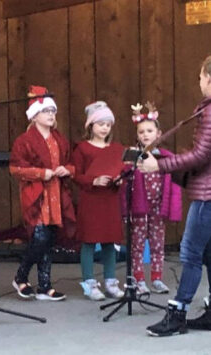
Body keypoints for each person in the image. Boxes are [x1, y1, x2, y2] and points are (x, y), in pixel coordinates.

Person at [141, 55, 211, 336]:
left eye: (200, 77)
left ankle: (178, 314)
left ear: (209, 78)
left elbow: (201, 154)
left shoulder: (209, 112)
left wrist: (159, 165)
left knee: (190, 253)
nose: (199, 82)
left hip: (207, 195)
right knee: (208, 254)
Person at [10, 86, 75, 302]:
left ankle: (45, 285)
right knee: (38, 238)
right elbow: (16, 168)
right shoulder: (24, 140)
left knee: (49, 239)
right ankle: (21, 275)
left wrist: (68, 170)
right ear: (35, 115)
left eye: (52, 111)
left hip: (56, 193)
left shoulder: (60, 139)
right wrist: (40, 173)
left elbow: (72, 163)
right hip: (38, 195)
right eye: (46, 111)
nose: (50, 115)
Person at [122, 102, 182, 295]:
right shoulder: (133, 156)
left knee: (157, 244)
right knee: (137, 245)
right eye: (141, 132)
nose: (145, 135)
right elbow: (124, 182)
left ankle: (157, 278)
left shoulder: (165, 157)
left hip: (158, 207)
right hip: (139, 208)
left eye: (149, 130)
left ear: (158, 133)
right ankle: (138, 280)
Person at [72, 101, 125, 301]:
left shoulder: (115, 149)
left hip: (110, 199)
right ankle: (89, 282)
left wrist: (118, 181)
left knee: (109, 242)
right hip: (91, 200)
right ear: (90, 126)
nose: (104, 128)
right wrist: (93, 180)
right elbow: (75, 175)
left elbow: (122, 172)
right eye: (100, 123)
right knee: (89, 241)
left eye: (108, 124)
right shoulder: (83, 149)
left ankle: (110, 281)